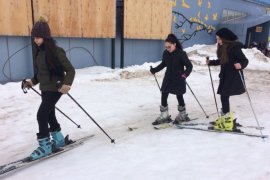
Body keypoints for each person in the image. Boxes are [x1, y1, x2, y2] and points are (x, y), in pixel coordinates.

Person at [23, 16, 75, 160]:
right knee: (49, 113)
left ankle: (45, 146)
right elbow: (41, 74)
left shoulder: (57, 51)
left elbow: (70, 70)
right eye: (34, 37)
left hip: (56, 88)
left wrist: (67, 84)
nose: (35, 40)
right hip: (45, 88)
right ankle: (58, 139)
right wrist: (31, 82)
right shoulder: (39, 53)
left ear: (45, 37)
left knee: (41, 115)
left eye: (38, 37)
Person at [206, 27, 248, 131]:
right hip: (225, 76)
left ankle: (227, 121)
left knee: (224, 96)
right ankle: (226, 118)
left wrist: (240, 65)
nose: (217, 41)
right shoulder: (224, 48)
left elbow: (244, 60)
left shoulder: (234, 48)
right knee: (224, 97)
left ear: (224, 39)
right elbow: (222, 61)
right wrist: (211, 62)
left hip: (233, 77)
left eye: (219, 39)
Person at [150, 34, 193, 125]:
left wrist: (185, 74)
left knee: (179, 95)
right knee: (164, 94)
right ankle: (164, 116)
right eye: (166, 47)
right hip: (168, 78)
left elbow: (189, 66)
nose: (167, 49)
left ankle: (182, 115)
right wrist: (154, 70)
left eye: (169, 47)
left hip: (179, 78)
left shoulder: (181, 54)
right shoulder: (166, 53)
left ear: (174, 44)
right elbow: (163, 64)